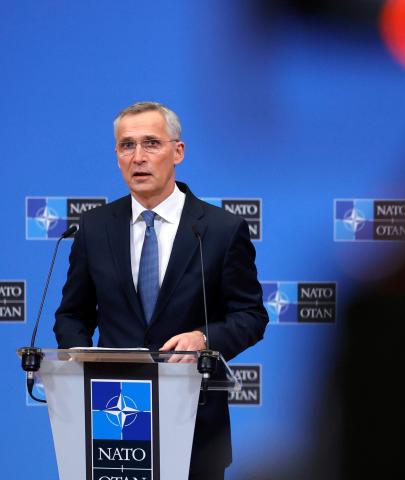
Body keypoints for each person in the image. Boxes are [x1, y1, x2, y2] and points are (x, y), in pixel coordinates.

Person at [54, 101, 269, 479]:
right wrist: (83, 369)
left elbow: (251, 317)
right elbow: (72, 315)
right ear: (117, 155)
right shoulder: (93, 228)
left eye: (151, 143)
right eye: (127, 145)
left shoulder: (219, 230)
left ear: (178, 151)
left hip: (195, 422)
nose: (138, 157)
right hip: (113, 420)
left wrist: (204, 338)